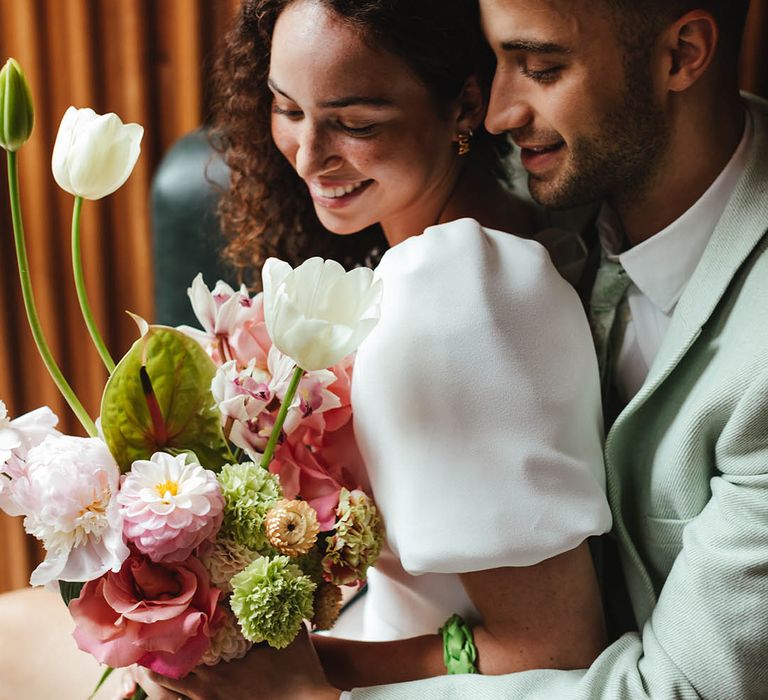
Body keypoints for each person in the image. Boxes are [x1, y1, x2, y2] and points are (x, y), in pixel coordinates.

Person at [137, 0, 768, 698]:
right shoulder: (562, 191)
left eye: (541, 67)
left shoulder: (462, 287)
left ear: (682, 54)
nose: (498, 111)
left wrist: (311, 684)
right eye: (286, 107)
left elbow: (577, 654)